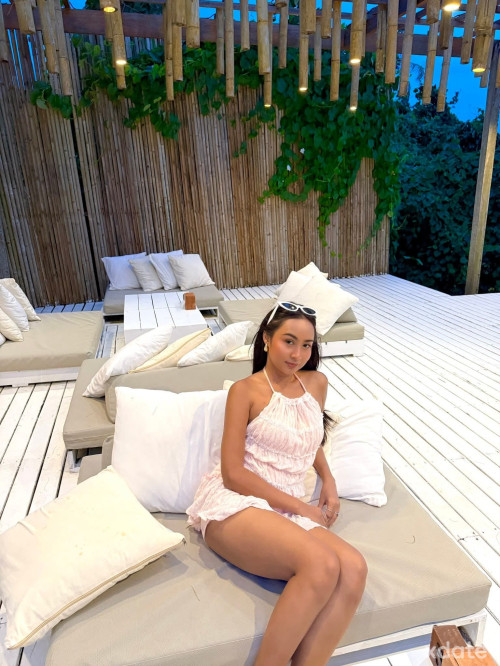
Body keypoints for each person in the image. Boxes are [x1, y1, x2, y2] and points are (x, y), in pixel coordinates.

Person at [187, 301, 367, 666]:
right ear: (267, 339)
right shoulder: (245, 390)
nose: (297, 354)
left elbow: (307, 437)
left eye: (306, 345)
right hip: (236, 501)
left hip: (285, 510)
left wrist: (328, 480)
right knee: (322, 564)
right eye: (289, 341)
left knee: (354, 569)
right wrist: (302, 507)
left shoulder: (316, 383)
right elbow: (233, 474)